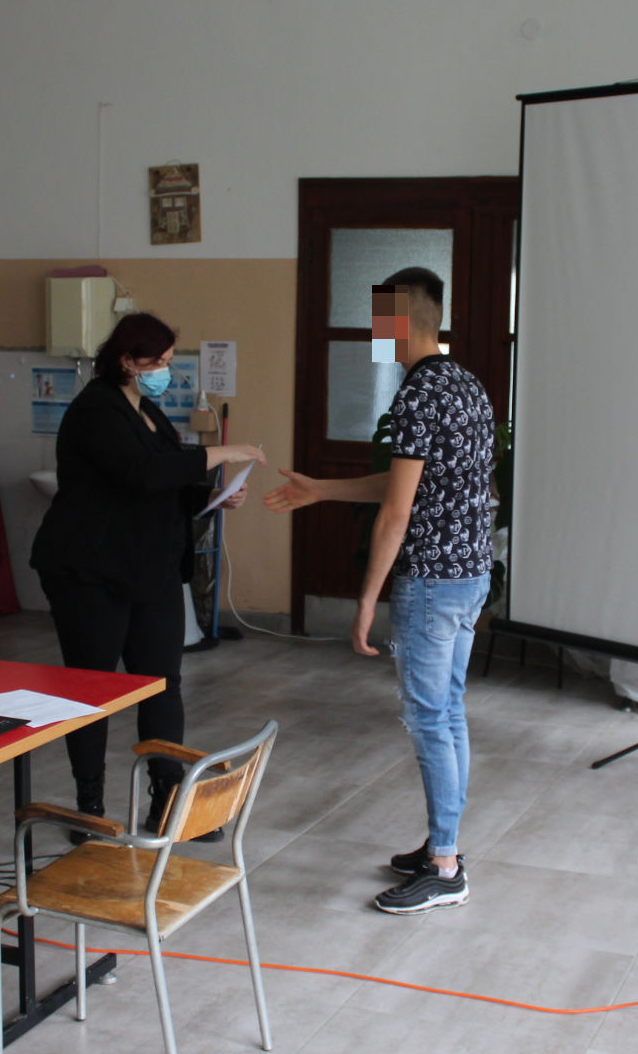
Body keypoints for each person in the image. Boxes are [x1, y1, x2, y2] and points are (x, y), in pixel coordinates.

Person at [265, 268, 495, 914]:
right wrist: (321, 489)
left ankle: (445, 867)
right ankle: (443, 848)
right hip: (470, 577)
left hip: (432, 584)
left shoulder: (419, 393)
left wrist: (368, 598)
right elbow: (405, 483)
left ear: (399, 322)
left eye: (377, 323)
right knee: (447, 711)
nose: (374, 335)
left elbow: (397, 513)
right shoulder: (467, 384)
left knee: (429, 718)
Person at [30, 312, 266, 835]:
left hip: (148, 569)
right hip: (90, 572)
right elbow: (142, 474)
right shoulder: (96, 410)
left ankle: (167, 800)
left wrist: (213, 495)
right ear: (126, 361)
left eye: (168, 361)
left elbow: (165, 481)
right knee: (91, 690)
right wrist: (222, 452)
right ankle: (89, 808)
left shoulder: (147, 410)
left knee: (162, 684)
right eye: (156, 362)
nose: (165, 371)